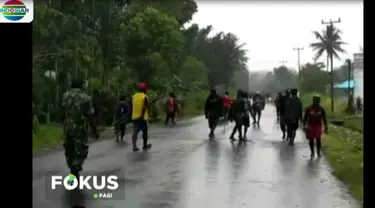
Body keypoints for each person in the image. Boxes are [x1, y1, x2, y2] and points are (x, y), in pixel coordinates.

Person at [62, 78, 99, 178]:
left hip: (67, 127)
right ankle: (75, 167)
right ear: (81, 86)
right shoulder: (86, 98)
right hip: (80, 127)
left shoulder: (65, 96)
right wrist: (95, 130)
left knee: (69, 148)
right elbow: (91, 115)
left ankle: (72, 167)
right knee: (80, 149)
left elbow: (62, 111)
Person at [131, 82, 152, 151]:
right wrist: (142, 116)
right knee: (145, 132)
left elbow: (132, 106)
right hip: (142, 118)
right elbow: (144, 107)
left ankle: (134, 146)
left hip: (134, 117)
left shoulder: (134, 96)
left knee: (135, 132)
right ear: (144, 89)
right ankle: (145, 145)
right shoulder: (145, 97)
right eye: (146, 89)